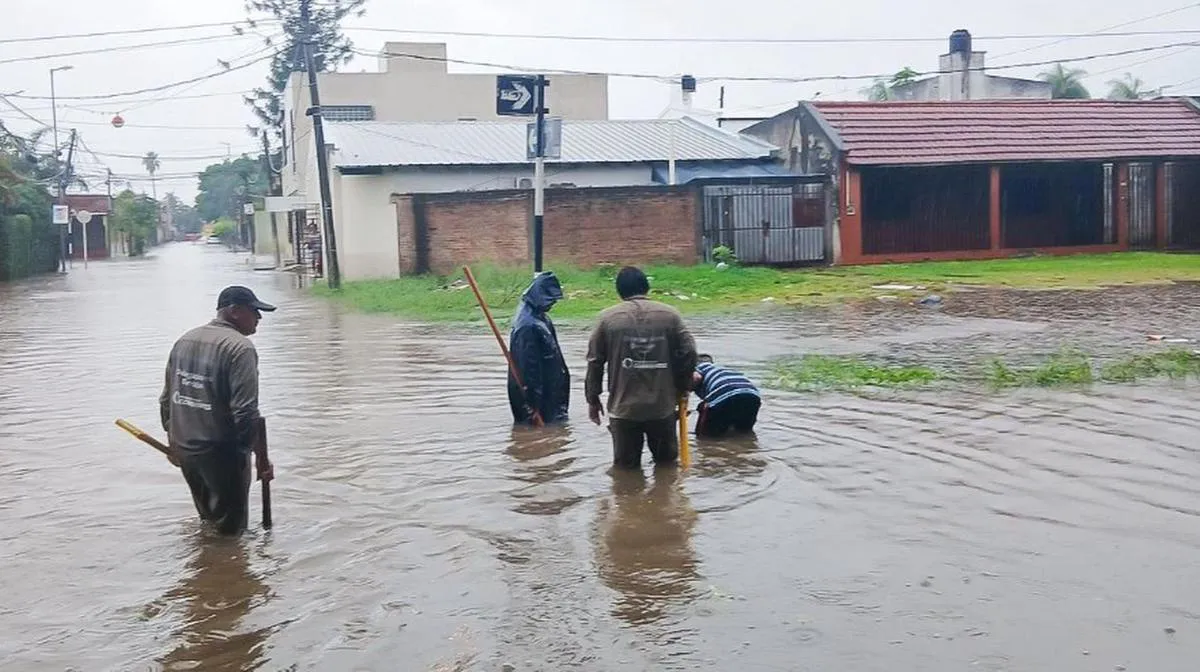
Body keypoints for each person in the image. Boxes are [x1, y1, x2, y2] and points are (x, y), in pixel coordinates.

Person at [159, 285, 275, 536]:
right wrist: (254, 457)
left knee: (209, 521)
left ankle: (209, 567)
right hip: (222, 453)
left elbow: (167, 400)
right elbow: (245, 412)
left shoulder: (185, 339)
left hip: (186, 449)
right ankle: (229, 571)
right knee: (232, 533)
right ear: (234, 312)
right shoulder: (240, 348)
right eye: (254, 311)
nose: (259, 318)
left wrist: (173, 441)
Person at [585, 266, 697, 469]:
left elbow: (595, 361)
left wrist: (593, 399)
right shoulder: (670, 315)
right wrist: (682, 386)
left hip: (624, 408)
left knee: (626, 471)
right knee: (667, 467)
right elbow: (689, 351)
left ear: (620, 291)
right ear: (646, 287)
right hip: (662, 407)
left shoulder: (607, 319)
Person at [507, 271, 570, 425]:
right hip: (538, 399)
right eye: (551, 299)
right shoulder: (527, 326)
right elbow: (529, 369)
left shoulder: (540, 317)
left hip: (550, 393)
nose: (553, 303)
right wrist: (533, 405)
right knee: (537, 436)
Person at [692, 354, 761, 437]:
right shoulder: (721, 369)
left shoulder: (698, 368)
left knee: (705, 436)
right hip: (752, 395)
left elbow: (696, 377)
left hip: (726, 394)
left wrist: (684, 390)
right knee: (743, 433)